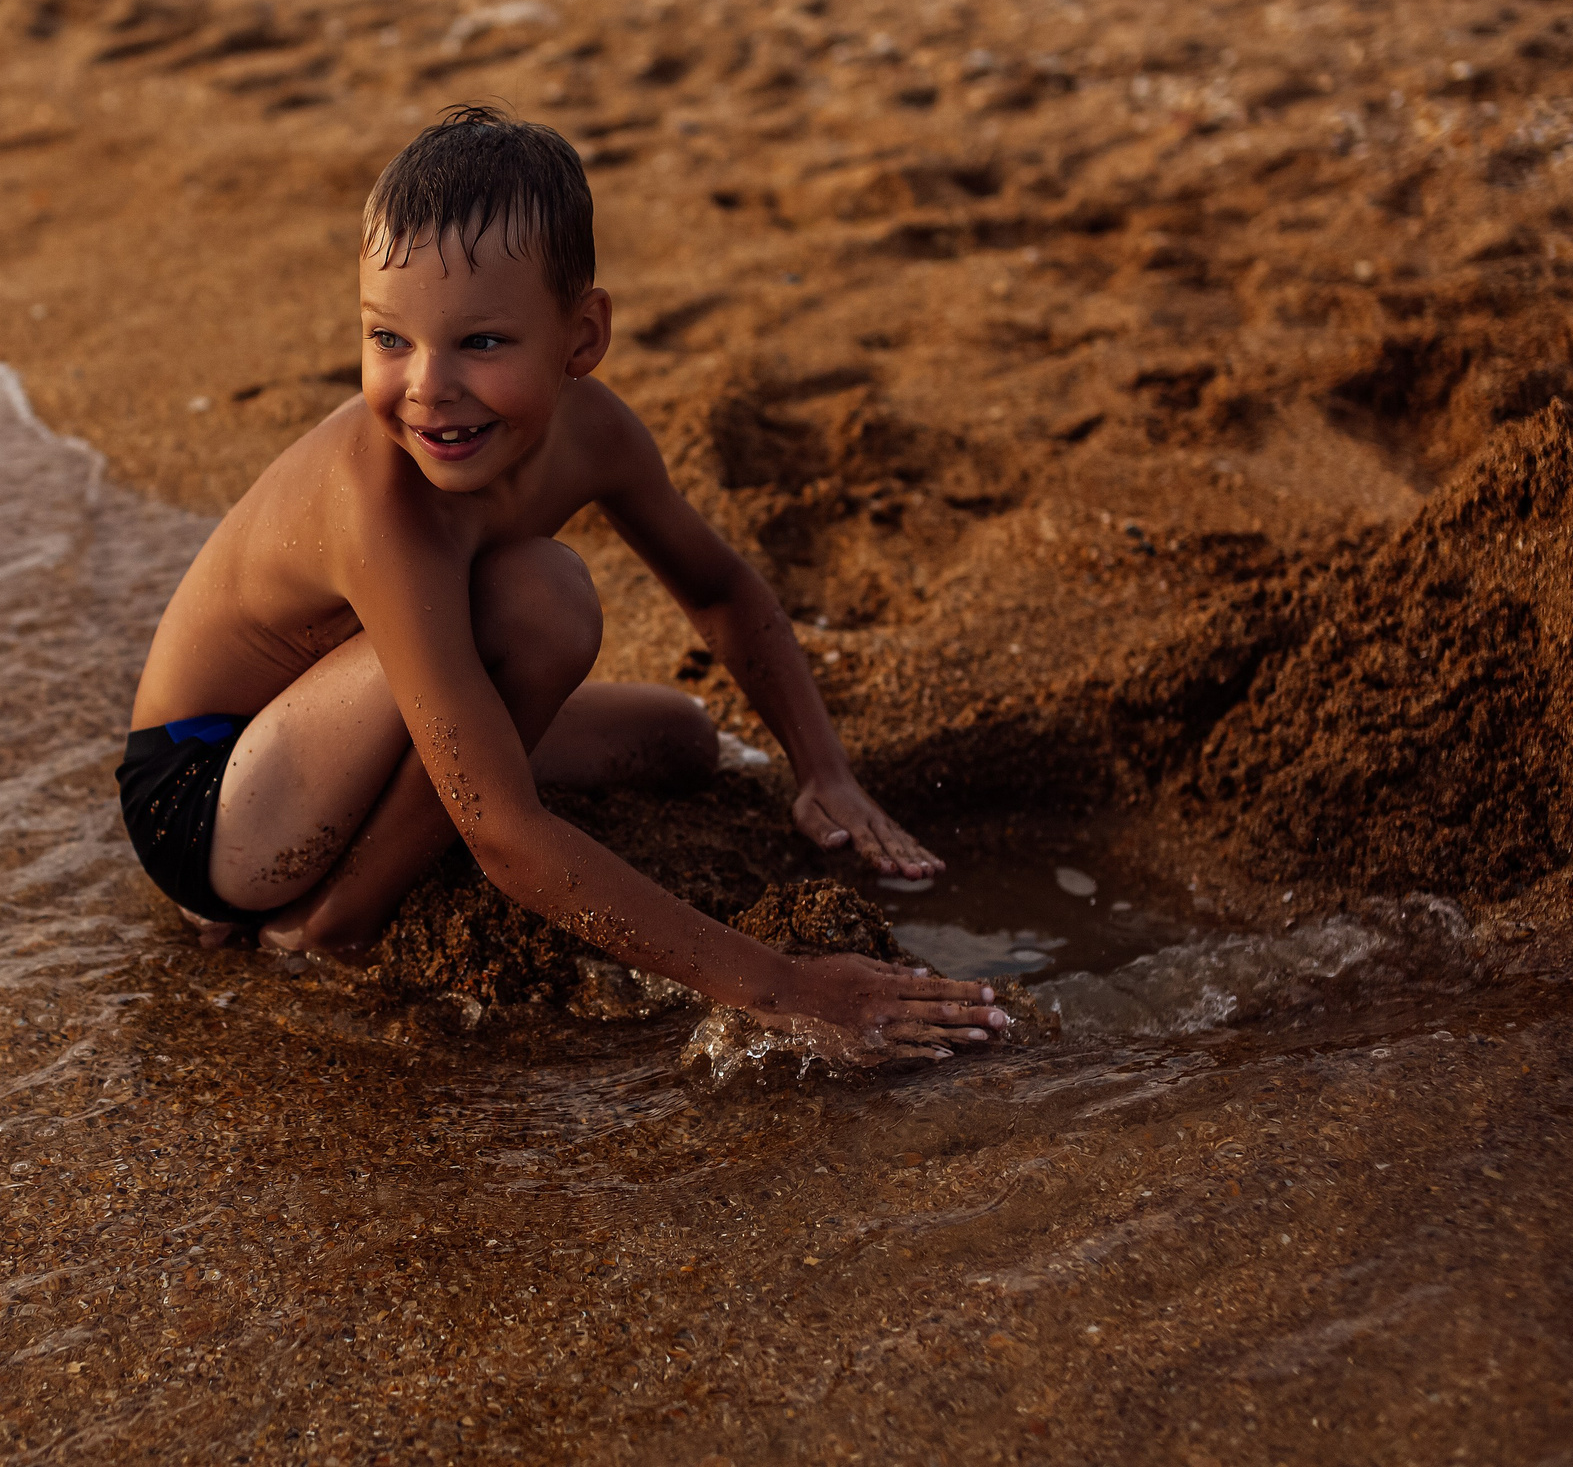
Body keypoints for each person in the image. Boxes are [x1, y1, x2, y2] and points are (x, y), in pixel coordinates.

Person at [117, 107, 1004, 1060]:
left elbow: (719, 587)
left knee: (682, 739)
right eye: (388, 339)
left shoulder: (598, 434)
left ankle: (358, 869)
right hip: (212, 799)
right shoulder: (380, 499)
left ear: (582, 337)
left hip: (348, 731)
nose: (428, 386)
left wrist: (823, 768)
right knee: (543, 600)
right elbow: (505, 837)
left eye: (483, 343)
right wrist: (784, 985)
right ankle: (331, 919)